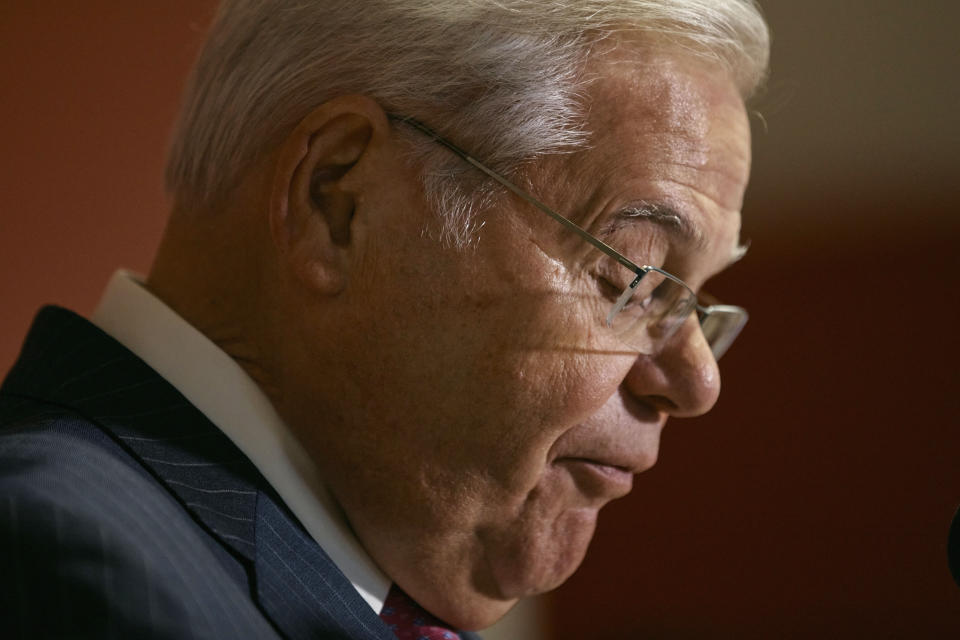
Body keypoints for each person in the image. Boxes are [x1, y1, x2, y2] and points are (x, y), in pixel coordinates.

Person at [0, 1, 770, 637]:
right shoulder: (74, 577)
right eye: (631, 273)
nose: (698, 381)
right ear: (339, 202)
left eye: (698, 303)